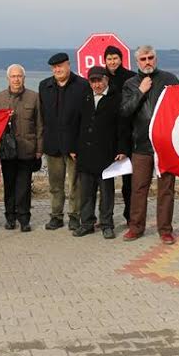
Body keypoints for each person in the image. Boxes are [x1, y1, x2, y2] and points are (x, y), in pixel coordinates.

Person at [120, 45, 179, 244]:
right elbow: (125, 111)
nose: (147, 61)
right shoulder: (130, 84)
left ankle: (165, 230)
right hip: (141, 145)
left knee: (166, 190)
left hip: (165, 145)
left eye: (151, 57)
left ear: (156, 58)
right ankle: (135, 228)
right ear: (137, 62)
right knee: (139, 188)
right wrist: (140, 91)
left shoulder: (169, 79)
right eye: (143, 58)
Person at [73, 66, 130, 239]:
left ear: (106, 80)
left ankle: (107, 224)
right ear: (89, 82)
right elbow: (74, 124)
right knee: (86, 193)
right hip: (85, 153)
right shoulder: (84, 97)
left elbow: (123, 127)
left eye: (99, 80)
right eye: (93, 81)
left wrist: (122, 149)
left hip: (107, 154)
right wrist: (73, 148)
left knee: (106, 193)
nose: (97, 84)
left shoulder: (117, 98)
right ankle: (87, 223)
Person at [38, 53, 89, 231]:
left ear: (68, 65)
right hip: (52, 144)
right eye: (54, 67)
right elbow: (42, 116)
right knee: (55, 184)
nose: (58, 70)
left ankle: (74, 216)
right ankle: (56, 216)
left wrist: (79, 144)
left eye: (61, 66)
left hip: (74, 145)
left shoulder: (82, 85)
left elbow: (85, 118)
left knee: (75, 184)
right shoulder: (45, 86)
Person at [0, 64, 43, 232]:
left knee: (24, 186)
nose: (16, 79)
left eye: (19, 76)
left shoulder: (34, 97)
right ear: (8, 79)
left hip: (27, 148)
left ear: (24, 78)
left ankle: (24, 218)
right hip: (7, 151)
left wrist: (39, 149)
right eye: (13, 76)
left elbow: (40, 125)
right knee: (9, 185)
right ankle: (10, 217)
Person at [103, 45, 136, 224]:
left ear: (121, 59)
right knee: (104, 181)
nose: (112, 62)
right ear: (105, 61)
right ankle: (105, 216)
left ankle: (130, 215)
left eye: (115, 58)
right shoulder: (100, 78)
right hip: (107, 136)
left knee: (128, 181)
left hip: (127, 134)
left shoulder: (130, 77)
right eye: (109, 59)